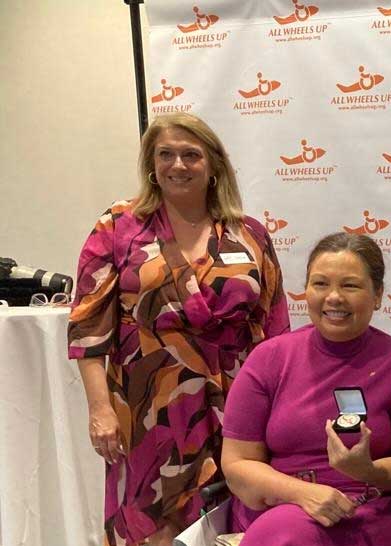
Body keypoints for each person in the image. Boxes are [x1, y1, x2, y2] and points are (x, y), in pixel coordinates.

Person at [67, 112, 290, 546]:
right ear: (152, 164)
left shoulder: (250, 235)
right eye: (165, 154)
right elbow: (88, 327)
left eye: (191, 155)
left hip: (237, 400)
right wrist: (100, 410)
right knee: (154, 520)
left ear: (213, 166)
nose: (178, 165)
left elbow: (275, 329)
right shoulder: (118, 227)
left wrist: (278, 408)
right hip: (147, 406)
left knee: (233, 515)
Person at [221, 233, 391, 546]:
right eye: (321, 284)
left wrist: (368, 471)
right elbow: (237, 464)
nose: (334, 297)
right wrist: (302, 494)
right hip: (277, 506)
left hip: (365, 510)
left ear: (377, 294)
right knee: (285, 533)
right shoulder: (269, 358)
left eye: (350, 285)